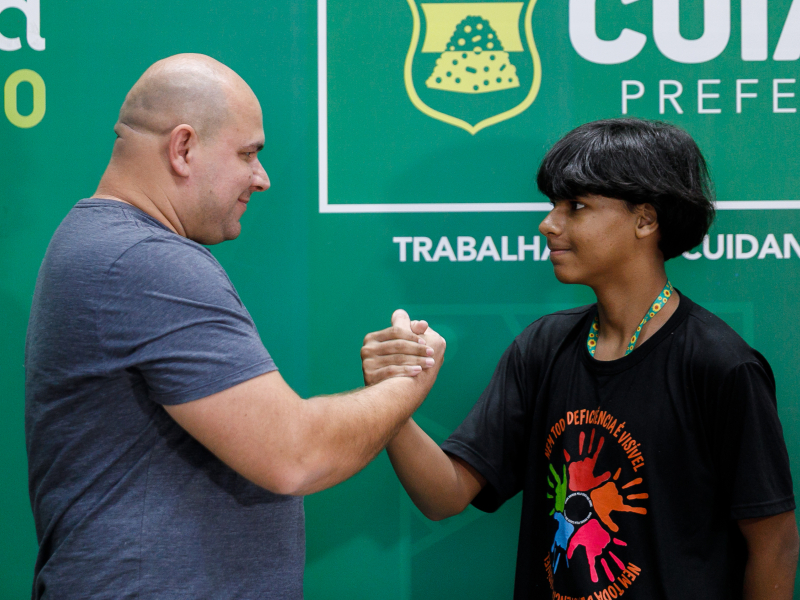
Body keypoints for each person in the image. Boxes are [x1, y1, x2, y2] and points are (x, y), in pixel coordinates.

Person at [24, 53, 444, 599]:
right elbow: (295, 454)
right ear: (183, 148)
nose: (262, 178)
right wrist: (408, 381)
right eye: (248, 154)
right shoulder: (146, 260)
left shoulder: (98, 243)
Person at [363, 119, 799, 599]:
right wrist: (392, 400)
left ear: (645, 220)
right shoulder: (541, 348)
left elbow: (775, 544)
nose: (548, 223)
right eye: (553, 205)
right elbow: (444, 495)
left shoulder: (720, 364)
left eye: (576, 206)